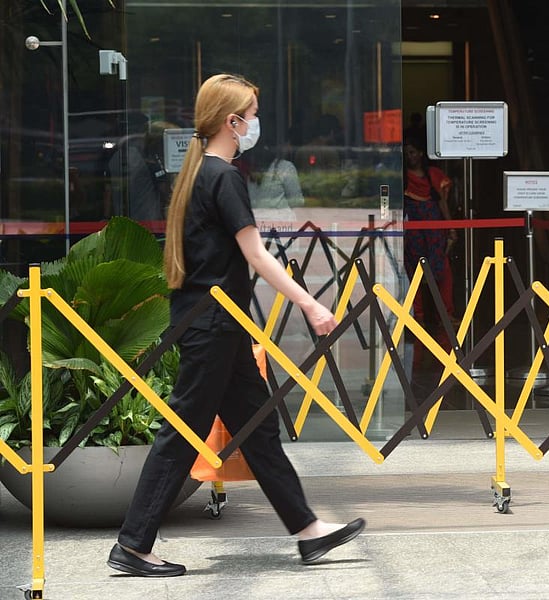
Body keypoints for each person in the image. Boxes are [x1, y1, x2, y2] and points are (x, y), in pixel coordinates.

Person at [107, 73, 365, 578]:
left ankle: (308, 533)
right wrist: (311, 305)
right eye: (251, 114)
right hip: (214, 326)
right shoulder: (223, 177)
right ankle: (134, 544)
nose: (255, 124)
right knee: (183, 431)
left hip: (214, 323)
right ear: (232, 122)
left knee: (257, 428)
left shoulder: (199, 173)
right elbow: (256, 255)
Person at [403, 135, 457, 366]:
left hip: (434, 230)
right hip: (414, 232)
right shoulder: (402, 177)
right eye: (407, 153)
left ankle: (446, 314)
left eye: (413, 152)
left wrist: (451, 229)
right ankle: (419, 318)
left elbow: (443, 203)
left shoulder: (434, 175)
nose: (410, 156)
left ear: (421, 153)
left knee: (441, 272)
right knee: (413, 273)